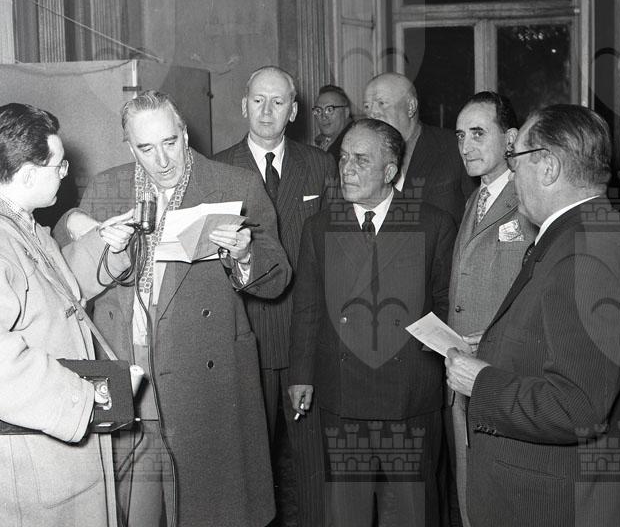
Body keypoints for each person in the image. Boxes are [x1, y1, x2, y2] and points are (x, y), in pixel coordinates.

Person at [56, 90, 291, 527]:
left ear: (184, 134)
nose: (163, 160)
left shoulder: (234, 185)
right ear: (130, 148)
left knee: (209, 510)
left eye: (170, 142)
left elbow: (278, 275)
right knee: (133, 512)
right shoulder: (107, 186)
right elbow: (61, 258)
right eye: (146, 148)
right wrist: (74, 223)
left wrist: (243, 255)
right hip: (128, 375)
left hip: (202, 378)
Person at [445, 104, 620, 527]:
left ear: (548, 167)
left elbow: (578, 407)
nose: (512, 173)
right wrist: (497, 346)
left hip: (549, 502)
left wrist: (480, 381)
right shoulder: (602, 231)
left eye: (515, 159)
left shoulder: (581, 252)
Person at [289, 118, 456, 527]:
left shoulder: (433, 224)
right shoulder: (319, 226)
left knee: (417, 513)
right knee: (347, 513)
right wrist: (301, 375)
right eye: (344, 158)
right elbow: (307, 307)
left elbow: (444, 306)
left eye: (361, 160)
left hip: (409, 396)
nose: (347, 169)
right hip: (343, 395)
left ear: (390, 171)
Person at [0, 102, 133, 526]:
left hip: (53, 448)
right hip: (36, 455)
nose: (64, 172)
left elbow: (57, 294)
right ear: (27, 174)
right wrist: (83, 398)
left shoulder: (23, 226)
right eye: (58, 164)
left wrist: (106, 247)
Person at [214, 66, 336, 526]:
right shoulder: (217, 169)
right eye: (258, 100)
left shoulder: (320, 166)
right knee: (248, 470)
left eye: (278, 102)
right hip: (246, 338)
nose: (267, 111)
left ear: (294, 111)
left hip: (308, 339)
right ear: (243, 105)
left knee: (314, 467)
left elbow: (335, 255)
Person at [447, 91, 537, 526]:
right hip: (462, 375)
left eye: (478, 133)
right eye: (460, 135)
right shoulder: (474, 199)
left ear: (511, 139)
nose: (466, 146)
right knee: (471, 493)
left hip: (504, 376)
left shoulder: (529, 200)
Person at [362, 72, 474, 225]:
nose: (372, 113)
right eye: (366, 106)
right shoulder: (363, 160)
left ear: (410, 107)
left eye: (382, 103)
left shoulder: (454, 148)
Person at [312, 84, 353, 161]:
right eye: (318, 110)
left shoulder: (351, 145)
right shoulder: (323, 142)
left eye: (329, 110)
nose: (323, 116)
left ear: (346, 112)